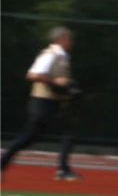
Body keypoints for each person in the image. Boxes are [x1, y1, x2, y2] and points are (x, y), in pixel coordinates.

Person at [1, 26, 79, 180]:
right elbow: (32, 75)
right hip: (42, 103)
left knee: (31, 137)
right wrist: (55, 83)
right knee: (63, 133)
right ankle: (63, 170)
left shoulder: (61, 56)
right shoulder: (50, 55)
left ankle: (62, 169)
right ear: (61, 39)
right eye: (69, 39)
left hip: (50, 103)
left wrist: (66, 90)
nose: (71, 42)